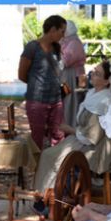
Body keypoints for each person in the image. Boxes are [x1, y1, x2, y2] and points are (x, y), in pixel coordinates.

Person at [33, 59, 111, 193]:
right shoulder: (94, 94)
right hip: (83, 140)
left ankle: (48, 199)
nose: (92, 74)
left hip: (95, 148)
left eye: (97, 74)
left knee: (49, 156)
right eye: (94, 71)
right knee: (48, 153)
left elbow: (91, 137)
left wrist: (70, 130)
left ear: (106, 81)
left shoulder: (102, 102)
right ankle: (46, 196)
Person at [20, 15, 68, 150]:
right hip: (37, 100)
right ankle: (37, 169)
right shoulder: (32, 47)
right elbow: (22, 74)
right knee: (37, 137)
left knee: (58, 135)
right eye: (62, 31)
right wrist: (37, 84)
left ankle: (57, 168)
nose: (63, 35)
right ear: (52, 29)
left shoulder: (57, 48)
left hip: (56, 100)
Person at [60, 20, 87, 129]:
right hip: (66, 77)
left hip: (73, 77)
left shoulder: (74, 42)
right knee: (65, 99)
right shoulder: (67, 41)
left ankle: (70, 126)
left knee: (69, 101)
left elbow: (65, 61)